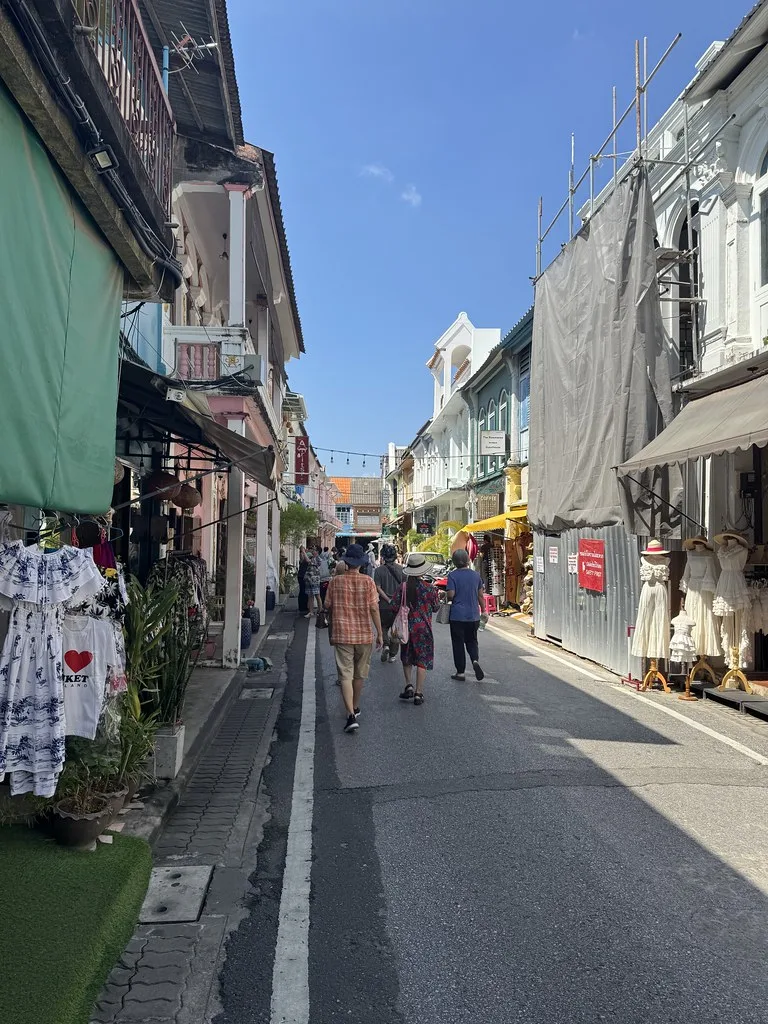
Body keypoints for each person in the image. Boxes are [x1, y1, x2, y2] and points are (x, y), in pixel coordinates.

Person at [324, 544, 383, 733]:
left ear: (346, 562)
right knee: (360, 674)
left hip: (342, 634)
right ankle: (355, 708)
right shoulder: (368, 582)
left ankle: (350, 714)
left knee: (345, 675)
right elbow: (374, 609)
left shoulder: (335, 582)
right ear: (362, 564)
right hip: (364, 634)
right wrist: (380, 634)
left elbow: (327, 606)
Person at [392, 552, 440, 706]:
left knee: (406, 657)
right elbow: (436, 608)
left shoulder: (403, 587)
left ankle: (408, 685)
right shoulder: (430, 589)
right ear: (423, 571)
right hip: (424, 629)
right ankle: (419, 693)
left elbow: (394, 606)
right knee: (422, 660)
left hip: (407, 629)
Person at [446, 548, 485, 681]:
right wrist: (484, 610)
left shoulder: (452, 575)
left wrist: (445, 596)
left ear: (454, 562)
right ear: (468, 560)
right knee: (472, 640)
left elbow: (451, 595)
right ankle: (474, 660)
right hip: (473, 615)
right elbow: (480, 595)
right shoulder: (476, 575)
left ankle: (461, 672)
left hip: (457, 616)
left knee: (458, 643)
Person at [374, 544, 404, 663]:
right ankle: (392, 655)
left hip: (384, 605)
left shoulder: (378, 570)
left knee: (383, 627)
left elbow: (377, 587)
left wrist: (387, 598)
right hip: (397, 605)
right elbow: (404, 587)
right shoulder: (402, 569)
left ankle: (385, 645)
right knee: (395, 629)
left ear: (383, 556)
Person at [305, 545, 323, 618]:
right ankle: (311, 611)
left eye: (314, 550)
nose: (313, 551)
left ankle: (320, 610)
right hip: (309, 579)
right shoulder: (313, 557)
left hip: (315, 579)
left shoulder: (318, 559)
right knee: (310, 595)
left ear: (317, 552)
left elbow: (308, 561)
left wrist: (303, 552)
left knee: (317, 595)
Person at [297, 546, 309, 616]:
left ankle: (304, 606)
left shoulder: (306, 554)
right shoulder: (302, 555)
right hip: (302, 575)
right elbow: (305, 560)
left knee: (304, 591)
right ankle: (302, 607)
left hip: (304, 575)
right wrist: (303, 552)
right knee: (303, 591)